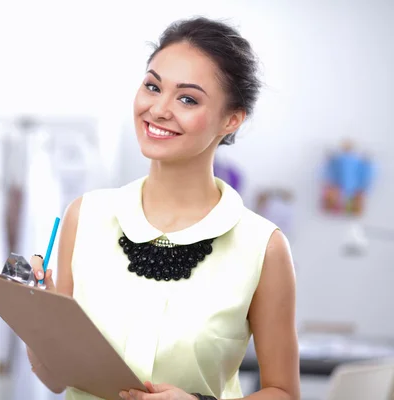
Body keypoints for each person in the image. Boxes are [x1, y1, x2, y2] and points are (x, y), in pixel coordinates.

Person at [27, 17, 300, 400]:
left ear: (231, 119)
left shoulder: (263, 247)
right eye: (153, 86)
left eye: (187, 98)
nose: (158, 109)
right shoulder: (84, 215)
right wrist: (40, 322)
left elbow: (284, 392)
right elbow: (56, 380)